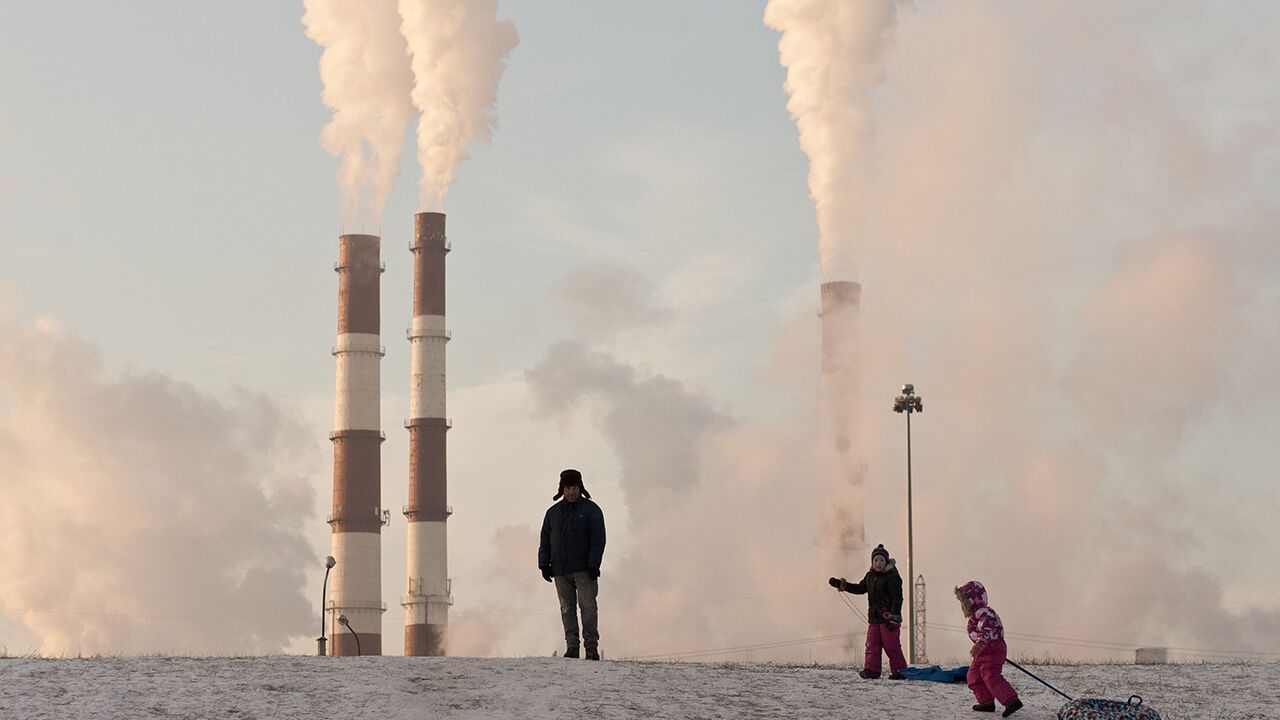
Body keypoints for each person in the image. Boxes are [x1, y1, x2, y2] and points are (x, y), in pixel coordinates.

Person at [538, 468, 606, 660]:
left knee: (588, 608)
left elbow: (598, 539)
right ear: (562, 489)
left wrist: (594, 564)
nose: (571, 492)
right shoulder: (553, 513)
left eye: (574, 488)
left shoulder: (592, 510)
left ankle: (591, 648)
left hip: (585, 570)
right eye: (568, 488)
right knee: (567, 610)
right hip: (560, 571)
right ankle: (572, 647)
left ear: (580, 487)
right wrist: (544, 564)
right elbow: (545, 539)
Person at [829, 544, 908, 679]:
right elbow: (860, 588)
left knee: (891, 646)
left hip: (888, 619)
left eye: (881, 560)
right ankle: (871, 670)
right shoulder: (870, 576)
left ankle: (900, 671)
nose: (878, 563)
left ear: (886, 562)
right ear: (872, 562)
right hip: (874, 619)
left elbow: (897, 598)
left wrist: (894, 617)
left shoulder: (892, 576)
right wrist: (842, 585)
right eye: (876, 560)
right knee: (872, 645)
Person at [955, 580, 1022, 717]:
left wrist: (980, 643)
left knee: (990, 674)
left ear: (972, 600)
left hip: (992, 648)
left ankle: (1011, 700)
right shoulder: (976, 614)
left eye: (964, 602)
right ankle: (986, 702)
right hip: (983, 652)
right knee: (973, 675)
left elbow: (988, 628)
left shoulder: (984, 613)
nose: (962, 606)